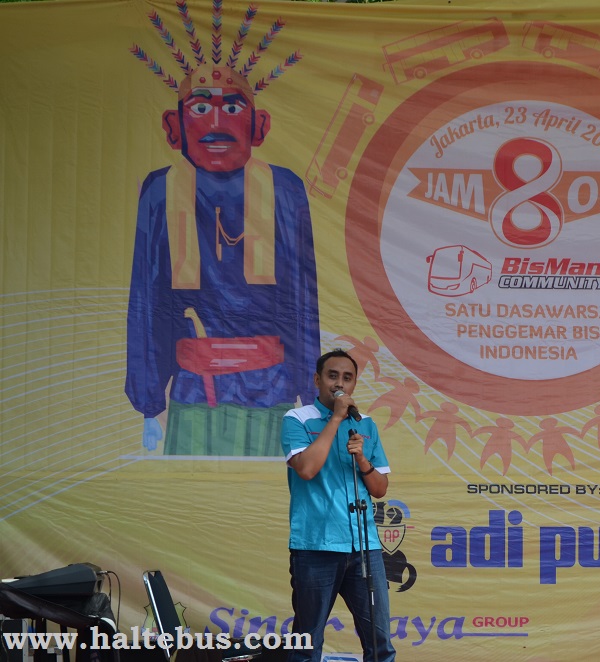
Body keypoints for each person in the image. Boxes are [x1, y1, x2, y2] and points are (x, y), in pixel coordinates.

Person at [125, 3, 318, 456]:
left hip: (270, 386)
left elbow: (301, 300)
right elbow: (147, 303)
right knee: (192, 492)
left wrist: (310, 395)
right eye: (199, 107)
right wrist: (150, 405)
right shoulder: (161, 191)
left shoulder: (284, 190)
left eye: (232, 107)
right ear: (174, 127)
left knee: (266, 492)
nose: (215, 123)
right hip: (194, 386)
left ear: (258, 125)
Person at [281, 349, 396, 662]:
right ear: (317, 380)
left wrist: (362, 459)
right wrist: (335, 419)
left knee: (380, 643)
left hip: (364, 547)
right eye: (332, 376)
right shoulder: (297, 418)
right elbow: (306, 469)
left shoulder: (365, 424)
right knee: (307, 644)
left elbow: (380, 489)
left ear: (355, 383)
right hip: (315, 546)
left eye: (347, 378)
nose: (339, 384)